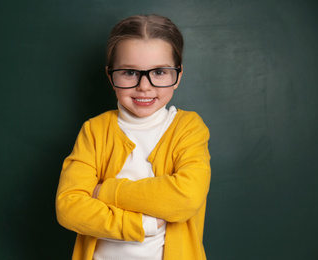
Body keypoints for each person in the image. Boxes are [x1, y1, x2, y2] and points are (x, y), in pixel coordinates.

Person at [56, 14, 211, 260]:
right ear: (110, 76)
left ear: (178, 76)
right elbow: (69, 207)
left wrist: (103, 192)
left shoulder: (188, 128)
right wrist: (143, 225)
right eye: (129, 72)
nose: (144, 86)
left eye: (159, 71)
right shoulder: (94, 130)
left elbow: (186, 196)